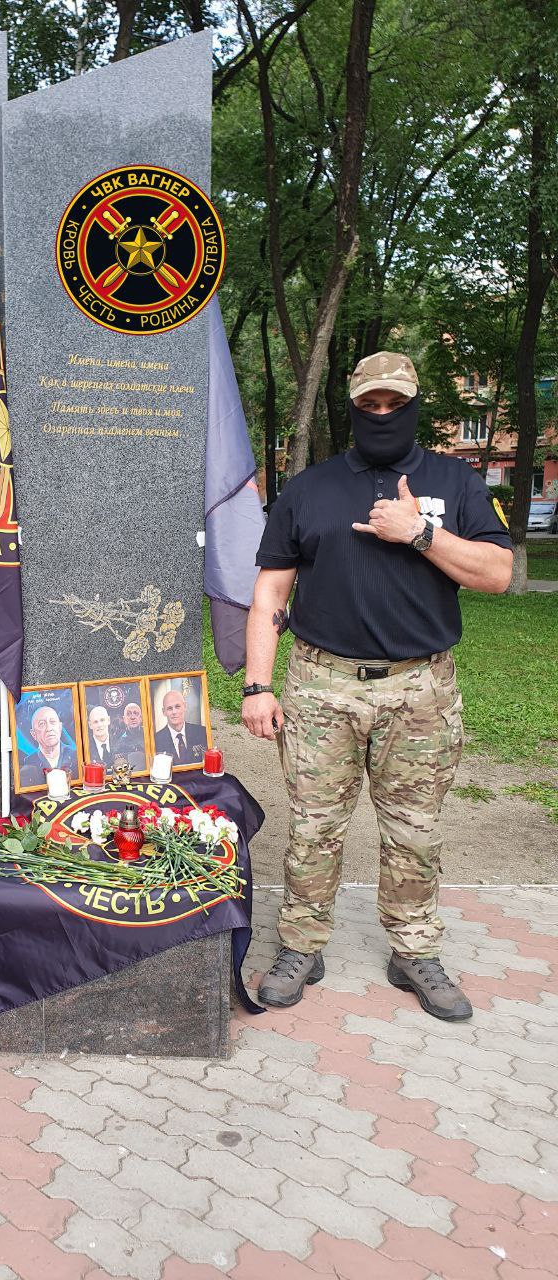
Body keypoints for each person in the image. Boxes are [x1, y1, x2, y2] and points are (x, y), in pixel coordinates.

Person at [243, 351, 512, 1021]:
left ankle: (413, 949)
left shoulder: (455, 479)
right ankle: (301, 946)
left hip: (419, 689)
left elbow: (497, 572)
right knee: (313, 829)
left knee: (414, 831)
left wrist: (421, 533)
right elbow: (270, 590)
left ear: (415, 405)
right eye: (371, 405)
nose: (383, 415)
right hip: (321, 687)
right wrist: (256, 686)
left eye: (395, 404)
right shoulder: (309, 488)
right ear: (353, 406)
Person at [18, 703, 77, 787]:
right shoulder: (28, 763)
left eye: (52, 722)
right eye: (42, 724)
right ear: (33, 734)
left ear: (60, 727)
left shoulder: (75, 756)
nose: (49, 728)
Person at [153, 689, 207, 764]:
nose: (174, 712)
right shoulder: (155, 740)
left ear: (185, 706)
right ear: (164, 712)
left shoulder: (201, 732)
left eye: (177, 706)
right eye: (169, 708)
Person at [116, 702, 146, 768]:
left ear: (141, 718)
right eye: (128, 714)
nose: (132, 717)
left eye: (136, 713)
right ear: (124, 719)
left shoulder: (148, 736)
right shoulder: (120, 743)